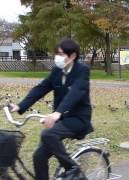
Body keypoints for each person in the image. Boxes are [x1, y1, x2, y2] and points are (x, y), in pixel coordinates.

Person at [10, 39, 92, 180]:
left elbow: (75, 93)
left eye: (61, 54)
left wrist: (57, 113)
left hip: (78, 119)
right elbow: (41, 88)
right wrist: (20, 106)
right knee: (38, 156)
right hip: (61, 119)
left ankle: (73, 169)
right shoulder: (56, 71)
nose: (57, 57)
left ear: (72, 56)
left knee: (48, 134)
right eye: (56, 53)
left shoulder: (82, 71)